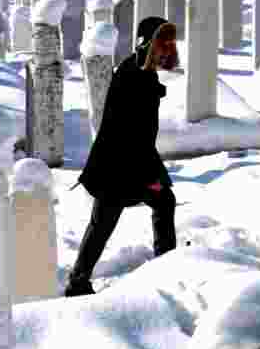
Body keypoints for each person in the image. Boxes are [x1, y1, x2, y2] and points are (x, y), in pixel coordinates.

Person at [65, 16, 180, 297]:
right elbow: (129, 135)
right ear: (148, 43)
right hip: (116, 165)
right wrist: (150, 177)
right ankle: (77, 282)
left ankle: (168, 266)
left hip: (130, 160)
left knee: (162, 201)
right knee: (105, 221)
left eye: (170, 41)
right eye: (162, 41)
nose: (168, 47)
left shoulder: (143, 71)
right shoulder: (133, 75)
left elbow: (141, 136)